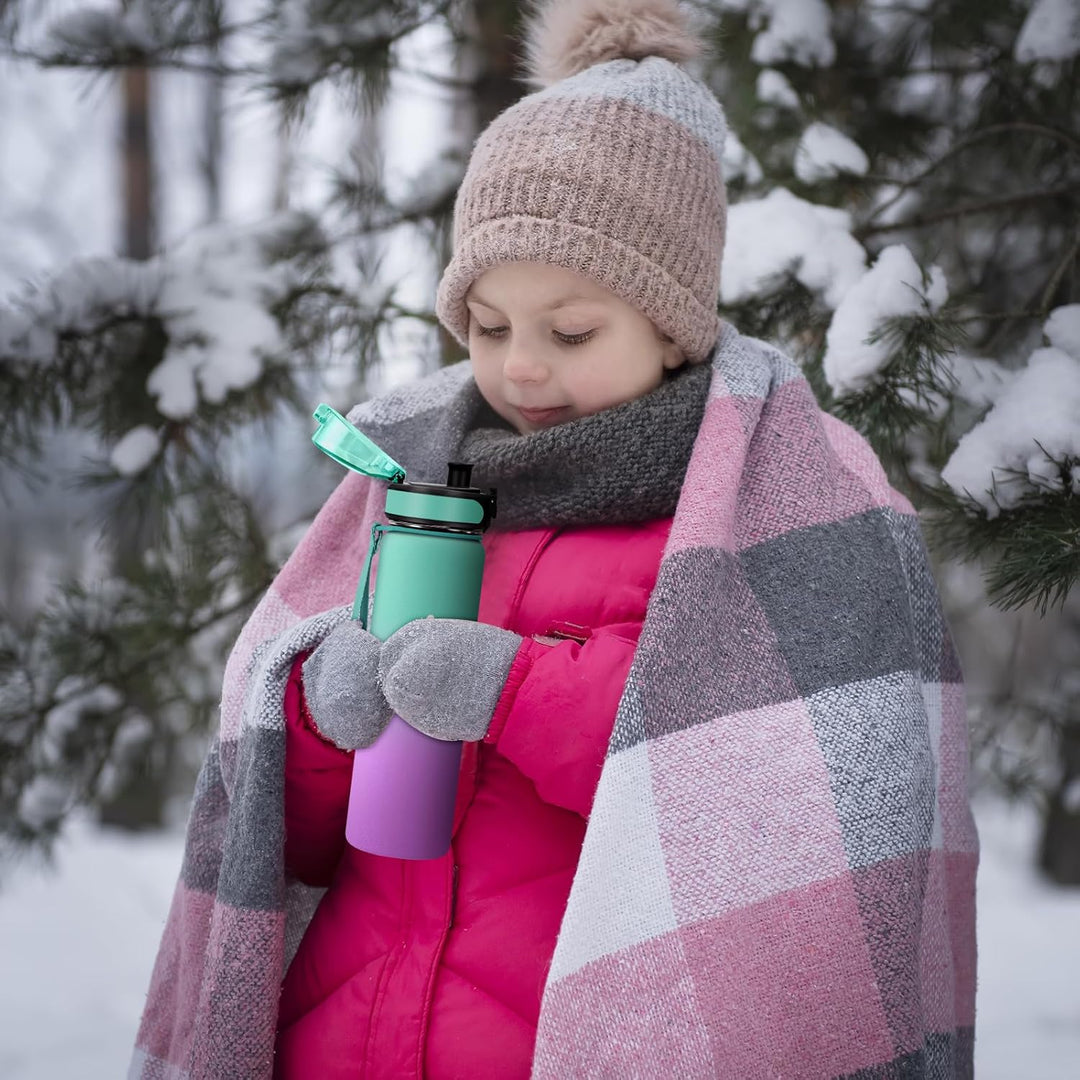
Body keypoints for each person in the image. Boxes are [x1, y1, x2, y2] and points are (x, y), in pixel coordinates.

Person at [132, 1, 978, 1077]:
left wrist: (517, 691)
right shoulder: (420, 487)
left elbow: (732, 800)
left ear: (669, 321)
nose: (520, 368)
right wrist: (313, 720)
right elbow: (286, 847)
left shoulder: (739, 519)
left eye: (570, 332)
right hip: (338, 1036)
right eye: (487, 327)